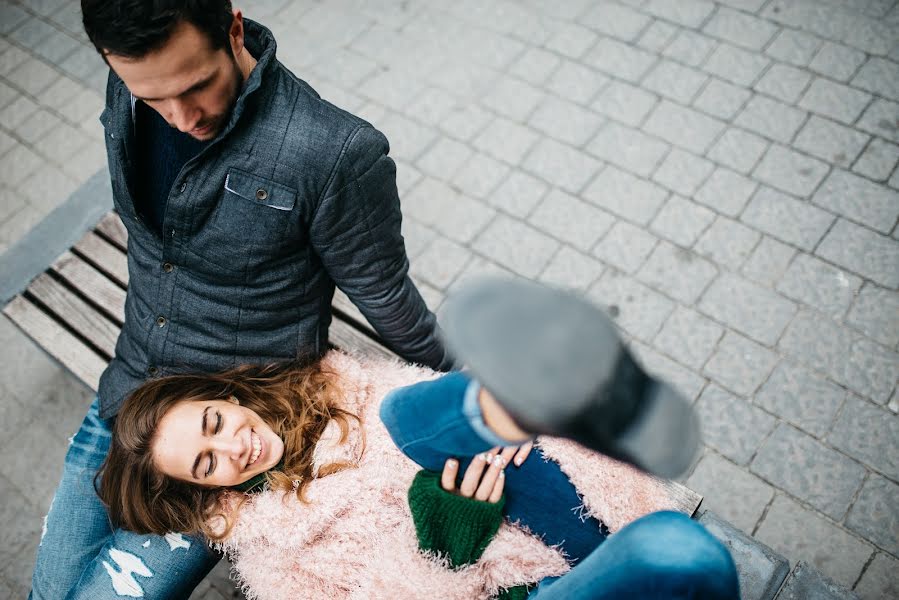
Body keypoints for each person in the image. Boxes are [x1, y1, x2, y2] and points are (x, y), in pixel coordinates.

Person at [31, 1, 459, 597]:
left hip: (234, 422)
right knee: (49, 591)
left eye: (197, 86)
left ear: (234, 28)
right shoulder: (131, 87)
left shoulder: (333, 152)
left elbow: (390, 300)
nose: (180, 117)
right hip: (130, 387)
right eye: (156, 98)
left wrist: (478, 397)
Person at [96, 349, 740, 599]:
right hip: (519, 595)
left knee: (408, 414)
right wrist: (447, 541)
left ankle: (505, 406)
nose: (231, 448)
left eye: (213, 424)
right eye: (207, 464)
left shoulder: (339, 383)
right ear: (206, 488)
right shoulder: (277, 565)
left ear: (225, 399)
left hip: (548, 490)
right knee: (684, 551)